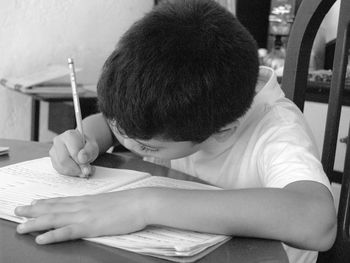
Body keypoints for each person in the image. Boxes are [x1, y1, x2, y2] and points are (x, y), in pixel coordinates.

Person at [14, 0, 337, 262]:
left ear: (223, 131)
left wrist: (144, 205)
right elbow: (119, 130)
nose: (127, 141)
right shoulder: (180, 110)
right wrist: (88, 138)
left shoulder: (276, 129)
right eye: (119, 126)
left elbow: (316, 220)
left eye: (147, 147)